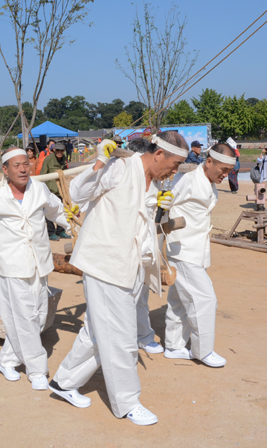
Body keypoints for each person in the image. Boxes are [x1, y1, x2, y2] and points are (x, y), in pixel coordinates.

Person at [50, 132, 187, 426]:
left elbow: (141, 224)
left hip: (133, 264)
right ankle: (127, 402)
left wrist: (160, 209)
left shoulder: (157, 182)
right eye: (175, 164)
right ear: (159, 154)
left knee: (98, 331)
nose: (175, 171)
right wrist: (99, 160)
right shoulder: (121, 166)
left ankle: (63, 382)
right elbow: (77, 194)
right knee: (123, 336)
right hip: (105, 263)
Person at [0, 147, 73, 390]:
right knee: (25, 318)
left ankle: (6, 359)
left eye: (26, 164)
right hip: (13, 265)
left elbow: (58, 211)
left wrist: (77, 226)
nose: (23, 169)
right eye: (16, 165)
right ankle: (37, 370)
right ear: (5, 170)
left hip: (39, 262)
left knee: (39, 316)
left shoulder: (39, 189)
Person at [164, 143, 236, 368]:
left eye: (229, 171)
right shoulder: (189, 180)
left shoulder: (207, 180)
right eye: (223, 169)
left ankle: (174, 346)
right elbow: (166, 204)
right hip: (183, 248)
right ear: (209, 161)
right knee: (204, 299)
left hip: (195, 246)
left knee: (179, 300)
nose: (225, 175)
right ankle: (202, 351)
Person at [123, 136, 164, 355]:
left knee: (142, 293)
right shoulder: (125, 176)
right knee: (125, 296)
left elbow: (157, 218)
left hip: (147, 245)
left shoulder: (156, 179)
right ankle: (128, 338)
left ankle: (143, 336)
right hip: (125, 246)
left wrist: (163, 206)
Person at [39, 142, 71, 241]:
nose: (59, 153)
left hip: (60, 190)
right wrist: (47, 190)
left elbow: (64, 171)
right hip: (50, 190)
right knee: (50, 212)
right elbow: (43, 175)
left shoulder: (64, 158)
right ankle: (51, 232)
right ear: (54, 150)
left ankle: (60, 231)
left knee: (62, 210)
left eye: (61, 151)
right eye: (57, 150)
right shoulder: (48, 160)